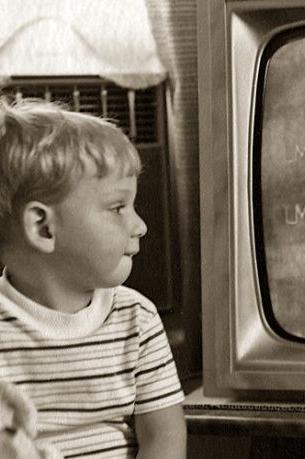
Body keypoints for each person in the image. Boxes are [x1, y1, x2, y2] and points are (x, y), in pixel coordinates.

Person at [0, 98, 186, 458]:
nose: (140, 226)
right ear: (43, 227)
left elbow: (164, 436)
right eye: (118, 208)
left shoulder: (137, 318)